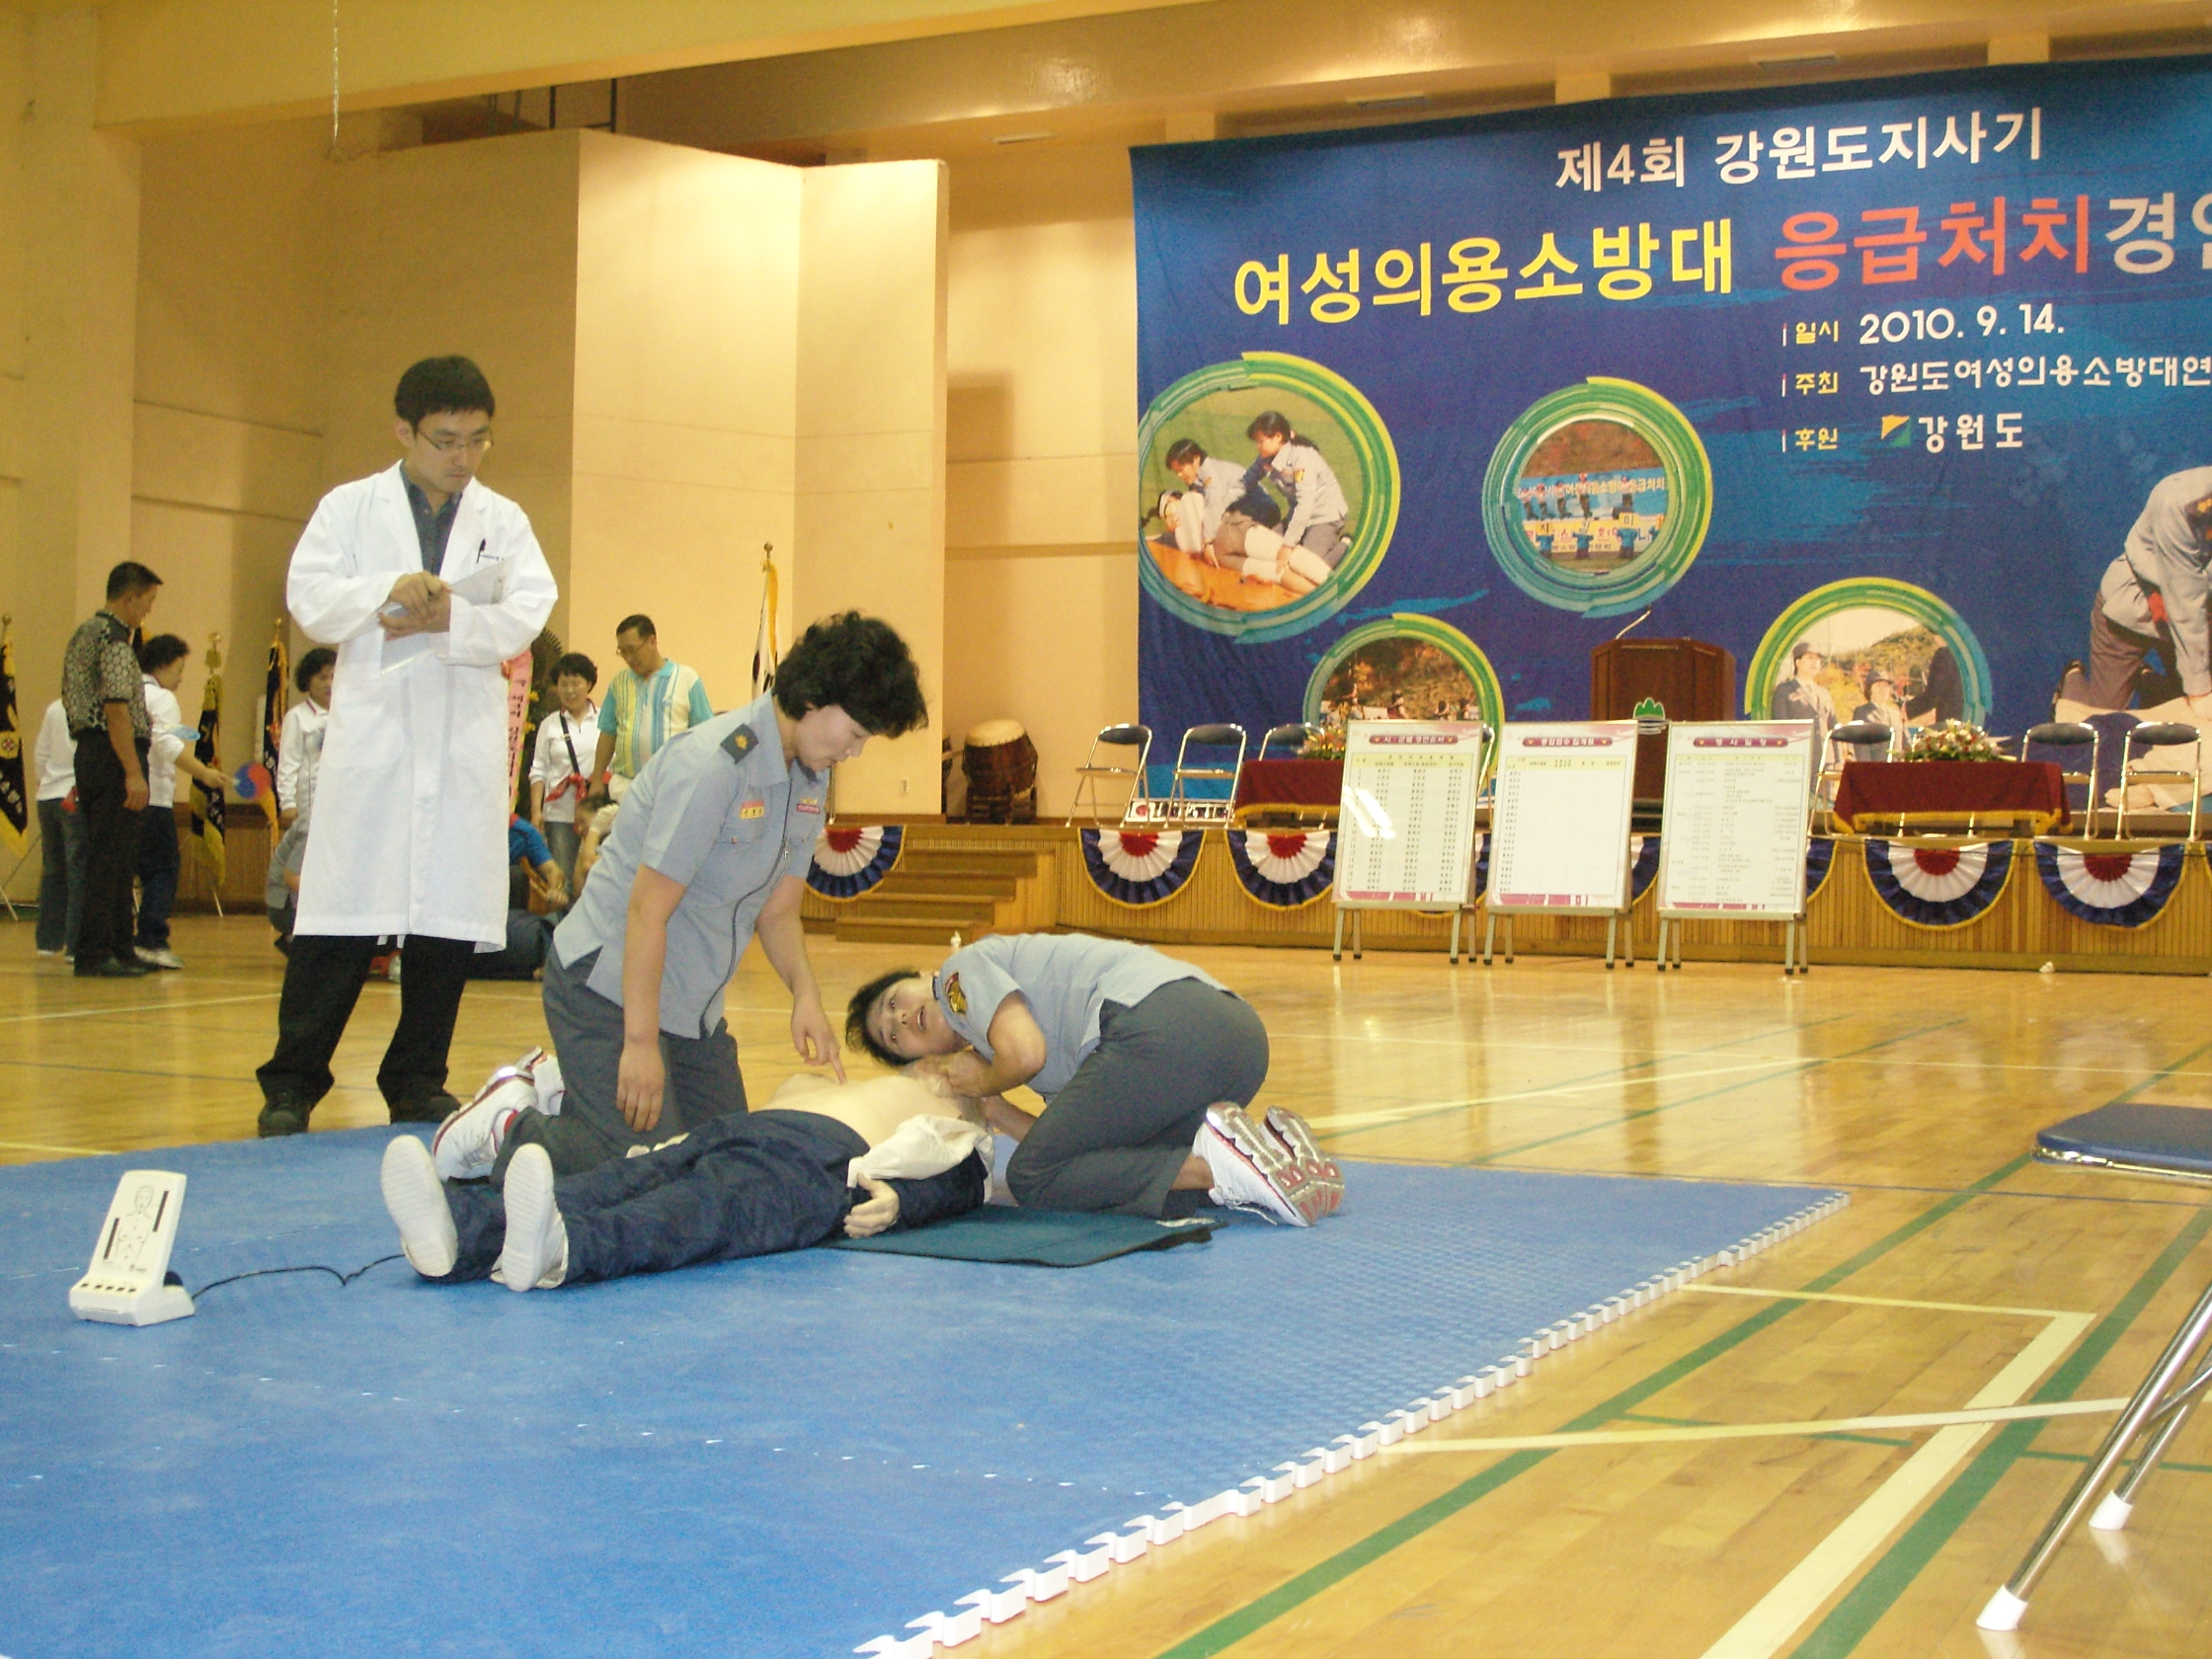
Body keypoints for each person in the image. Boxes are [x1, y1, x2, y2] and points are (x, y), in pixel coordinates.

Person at [428, 611, 929, 1189]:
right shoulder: (716, 763)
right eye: (857, 733)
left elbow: (778, 912)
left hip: (689, 1007)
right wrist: (639, 1044)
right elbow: (648, 911)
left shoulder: (810, 780)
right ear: (816, 699)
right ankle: (509, 1126)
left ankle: (572, 1095)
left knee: (728, 1166)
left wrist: (806, 996)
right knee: (644, 1166)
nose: (856, 752)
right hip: (606, 986)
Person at [253, 355, 558, 1138]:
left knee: (444, 926)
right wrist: (386, 592)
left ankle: (417, 1081)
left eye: (478, 440)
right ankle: (292, 1083)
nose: (463, 457)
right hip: (376, 743)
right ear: (404, 431)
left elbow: (529, 608)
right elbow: (311, 597)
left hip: (459, 742)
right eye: (446, 441)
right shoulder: (349, 509)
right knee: (338, 921)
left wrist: (453, 617)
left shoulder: (504, 519)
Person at [846, 932, 1342, 1225]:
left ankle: (1215, 1169)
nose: (902, 1018)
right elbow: (1075, 1145)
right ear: (918, 1057)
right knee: (1109, 1167)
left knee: (1029, 1179)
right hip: (1238, 1043)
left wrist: (984, 1084)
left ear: (921, 976)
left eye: (893, 1002)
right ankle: (1279, 1155)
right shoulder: (994, 1035)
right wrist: (995, 1108)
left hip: (1159, 1027)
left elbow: (1026, 1054)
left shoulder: (958, 975)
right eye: (894, 1037)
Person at [379, 1067, 989, 1293]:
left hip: (818, 1163)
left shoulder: (959, 1125)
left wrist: (899, 1202)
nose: (945, 1073)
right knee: (620, 1178)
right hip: (741, 1129)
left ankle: (566, 1247)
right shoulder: (851, 1082)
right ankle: (461, 1231)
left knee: (696, 1211)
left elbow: (963, 1180)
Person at [60, 562, 164, 978]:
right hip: (114, 754)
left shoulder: (84, 633)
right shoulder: (116, 641)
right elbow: (117, 709)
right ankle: (95, 951)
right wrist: (132, 772)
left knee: (116, 856)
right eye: (147, 602)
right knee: (112, 858)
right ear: (129, 598)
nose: (148, 611)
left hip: (91, 753)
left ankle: (120, 947)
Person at [2060, 469, 2212, 714]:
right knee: (2104, 719)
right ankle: (2071, 681)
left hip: (2195, 619)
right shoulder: (2179, 499)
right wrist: (2200, 692)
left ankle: (2150, 682)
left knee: (2181, 707)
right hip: (2131, 612)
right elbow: (2185, 597)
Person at [134, 635, 230, 971]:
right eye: (179, 669)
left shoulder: (127, 693)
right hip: (154, 800)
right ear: (162, 665)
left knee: (121, 871)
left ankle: (108, 942)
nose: (180, 678)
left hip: (121, 797)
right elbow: (165, 744)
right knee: (162, 869)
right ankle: (151, 941)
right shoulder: (161, 698)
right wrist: (203, 773)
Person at [592, 616, 712, 799]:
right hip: (625, 787)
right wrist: (597, 779)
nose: (628, 658)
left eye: (633, 650)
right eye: (622, 652)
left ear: (652, 641)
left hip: (673, 787)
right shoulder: (619, 682)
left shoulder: (686, 678)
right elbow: (608, 733)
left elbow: (705, 733)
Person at [527, 650, 597, 887]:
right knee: (563, 879)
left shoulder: (604, 721)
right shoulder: (549, 725)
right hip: (559, 814)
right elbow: (539, 770)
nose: (570, 690)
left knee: (594, 876)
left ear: (589, 684)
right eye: (563, 684)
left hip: (595, 814)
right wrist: (536, 811)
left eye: (576, 683)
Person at [1247, 412, 1351, 568]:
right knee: (1262, 549)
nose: (1258, 446)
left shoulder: (1302, 457)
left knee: (1307, 566)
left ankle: (1346, 544)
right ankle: (1302, 541)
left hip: (1324, 516)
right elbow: (1245, 482)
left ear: (1277, 437)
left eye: (1261, 441)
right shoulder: (1265, 457)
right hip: (1297, 516)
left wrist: (1288, 544)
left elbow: (1306, 503)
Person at [32, 698, 85, 959]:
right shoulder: (96, 707)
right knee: (79, 872)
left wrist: (48, 781)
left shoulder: (55, 707)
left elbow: (41, 754)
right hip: (75, 794)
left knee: (53, 870)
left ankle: (48, 941)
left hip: (48, 796)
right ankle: (76, 946)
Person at [276, 647, 334, 830]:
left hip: (341, 805)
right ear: (308, 680)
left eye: (333, 677)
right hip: (309, 808)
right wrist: (287, 804)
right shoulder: (297, 717)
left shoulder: (346, 716)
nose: (329, 684)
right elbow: (288, 764)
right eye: (322, 678)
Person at [1770, 642, 1837, 746]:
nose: (1815, 662)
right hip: (1799, 751)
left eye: (1817, 659)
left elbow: (1833, 728)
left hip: (1826, 753)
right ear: (1798, 662)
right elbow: (1780, 727)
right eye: (1810, 658)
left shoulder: (1824, 694)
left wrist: (1838, 755)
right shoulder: (1784, 690)